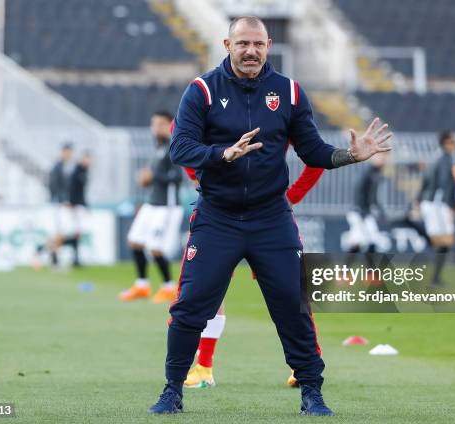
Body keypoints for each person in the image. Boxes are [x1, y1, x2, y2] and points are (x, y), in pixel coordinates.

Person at [147, 16, 392, 416]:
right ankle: (172, 389)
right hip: (218, 216)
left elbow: (312, 151)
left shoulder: (290, 92)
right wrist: (221, 154)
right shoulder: (202, 91)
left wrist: (350, 154)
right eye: (243, 43)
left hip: (270, 218)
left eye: (258, 45)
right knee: (190, 305)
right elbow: (180, 148)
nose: (251, 51)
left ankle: (311, 390)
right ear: (227, 44)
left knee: (293, 305)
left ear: (269, 45)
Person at [183, 164, 324, 389]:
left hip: (269, 219)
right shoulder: (191, 127)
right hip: (221, 216)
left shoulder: (278, 127)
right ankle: (203, 367)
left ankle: (305, 365)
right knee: (207, 287)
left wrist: (292, 196)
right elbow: (183, 144)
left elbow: (316, 154)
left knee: (290, 290)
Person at [119, 111, 184, 303]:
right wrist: (146, 180)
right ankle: (142, 285)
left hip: (167, 206)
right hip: (152, 203)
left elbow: (177, 177)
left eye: (161, 124)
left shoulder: (173, 146)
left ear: (169, 125)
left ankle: (168, 287)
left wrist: (153, 177)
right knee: (135, 241)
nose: (156, 128)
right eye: (154, 124)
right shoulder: (158, 148)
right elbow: (155, 176)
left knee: (156, 248)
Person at [419, 130, 455, 285]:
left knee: (443, 241)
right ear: (446, 142)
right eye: (453, 141)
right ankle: (433, 277)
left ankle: (435, 277)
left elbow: (426, 181)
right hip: (437, 204)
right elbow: (442, 184)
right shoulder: (445, 159)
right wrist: (448, 207)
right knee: (444, 239)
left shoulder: (437, 157)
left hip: (432, 202)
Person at [41, 151, 92, 268]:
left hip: (71, 205)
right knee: (63, 233)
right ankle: (44, 252)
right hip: (65, 205)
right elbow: (61, 187)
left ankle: (72, 258)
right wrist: (66, 201)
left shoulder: (76, 169)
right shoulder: (66, 169)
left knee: (74, 233)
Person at [344, 153, 387, 271]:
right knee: (369, 240)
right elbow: (359, 191)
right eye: (380, 157)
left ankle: (347, 273)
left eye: (384, 157)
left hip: (364, 213)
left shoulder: (376, 173)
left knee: (359, 242)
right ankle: (368, 273)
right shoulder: (368, 173)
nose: (383, 160)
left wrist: (380, 212)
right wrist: (361, 211)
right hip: (359, 213)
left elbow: (373, 197)